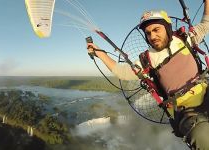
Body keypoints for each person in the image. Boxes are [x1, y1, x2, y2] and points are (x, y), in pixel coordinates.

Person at [87, 1, 209, 149]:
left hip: (206, 93)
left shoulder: (185, 38)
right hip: (185, 113)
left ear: (168, 28)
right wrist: (100, 53)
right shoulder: (146, 60)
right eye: (148, 33)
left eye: (157, 29)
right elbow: (122, 72)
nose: (153, 36)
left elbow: (206, 23)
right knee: (202, 136)